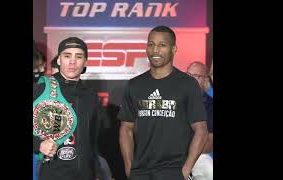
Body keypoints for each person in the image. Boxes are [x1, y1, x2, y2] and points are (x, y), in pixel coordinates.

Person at [118, 26, 208, 180]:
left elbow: (201, 130)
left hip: (173, 171)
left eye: (162, 45)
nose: (155, 50)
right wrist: (129, 168)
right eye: (151, 44)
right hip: (140, 172)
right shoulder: (134, 85)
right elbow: (126, 129)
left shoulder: (187, 84)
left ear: (174, 49)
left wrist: (185, 170)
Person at [33, 37, 108, 180]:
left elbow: (92, 142)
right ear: (59, 60)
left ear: (85, 62)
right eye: (67, 56)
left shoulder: (91, 96)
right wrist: (38, 144)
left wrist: (97, 172)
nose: (72, 61)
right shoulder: (41, 89)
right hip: (53, 175)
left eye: (78, 56)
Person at [187, 62, 213, 180]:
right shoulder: (173, 101)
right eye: (190, 75)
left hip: (200, 155)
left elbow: (210, 143)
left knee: (209, 171)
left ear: (205, 80)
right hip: (172, 156)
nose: (193, 79)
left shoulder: (211, 105)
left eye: (197, 76)